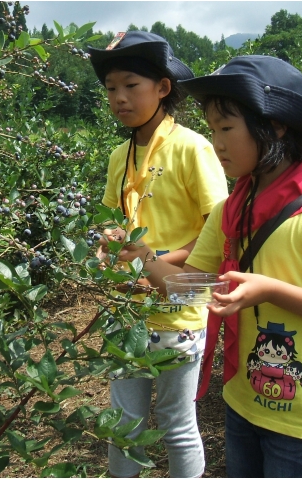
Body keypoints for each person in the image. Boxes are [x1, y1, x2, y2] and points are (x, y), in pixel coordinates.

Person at [102, 55, 302, 477]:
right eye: (212, 130)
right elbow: (188, 287)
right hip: (243, 398)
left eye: (227, 129)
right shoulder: (231, 210)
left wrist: (270, 290)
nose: (217, 143)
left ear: (276, 126)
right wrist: (145, 256)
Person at [87, 31, 228, 478]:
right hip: (127, 304)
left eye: (131, 85)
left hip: (181, 302)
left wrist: (159, 258)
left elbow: (219, 226)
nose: (119, 98)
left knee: (176, 422)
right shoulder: (119, 156)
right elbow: (114, 221)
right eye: (111, 88)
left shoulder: (192, 147)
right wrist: (105, 244)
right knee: (124, 425)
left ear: (163, 88)